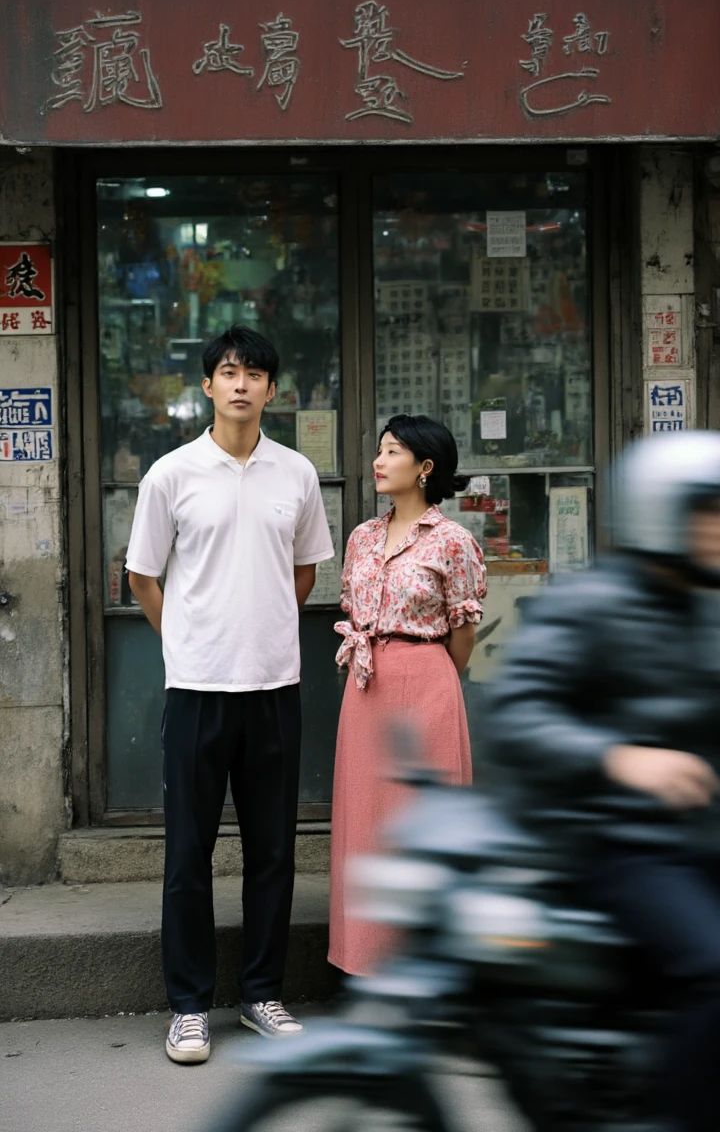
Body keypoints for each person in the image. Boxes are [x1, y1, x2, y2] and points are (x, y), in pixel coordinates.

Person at [486, 430, 720, 1132]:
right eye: (708, 511)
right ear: (662, 514)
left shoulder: (704, 610)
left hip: (690, 835)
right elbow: (517, 711)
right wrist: (620, 757)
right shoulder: (592, 605)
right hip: (614, 841)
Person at [125, 326, 334, 1063]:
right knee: (188, 853)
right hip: (197, 689)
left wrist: (258, 626)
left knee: (274, 850)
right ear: (207, 386)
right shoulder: (171, 475)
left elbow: (304, 572)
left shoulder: (297, 475)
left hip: (274, 685)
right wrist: (185, 635)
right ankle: (188, 1006)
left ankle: (261, 994)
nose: (241, 383)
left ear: (273, 391)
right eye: (227, 371)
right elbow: (142, 577)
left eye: (254, 374)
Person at [329, 414, 487, 975]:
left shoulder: (454, 541)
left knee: (425, 827)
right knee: (367, 826)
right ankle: (366, 966)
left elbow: (461, 634)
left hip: (427, 683)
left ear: (424, 467)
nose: (378, 460)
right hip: (366, 687)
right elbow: (353, 608)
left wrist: (427, 674)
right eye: (378, 450)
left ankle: (431, 971)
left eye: (391, 451)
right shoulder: (362, 537)